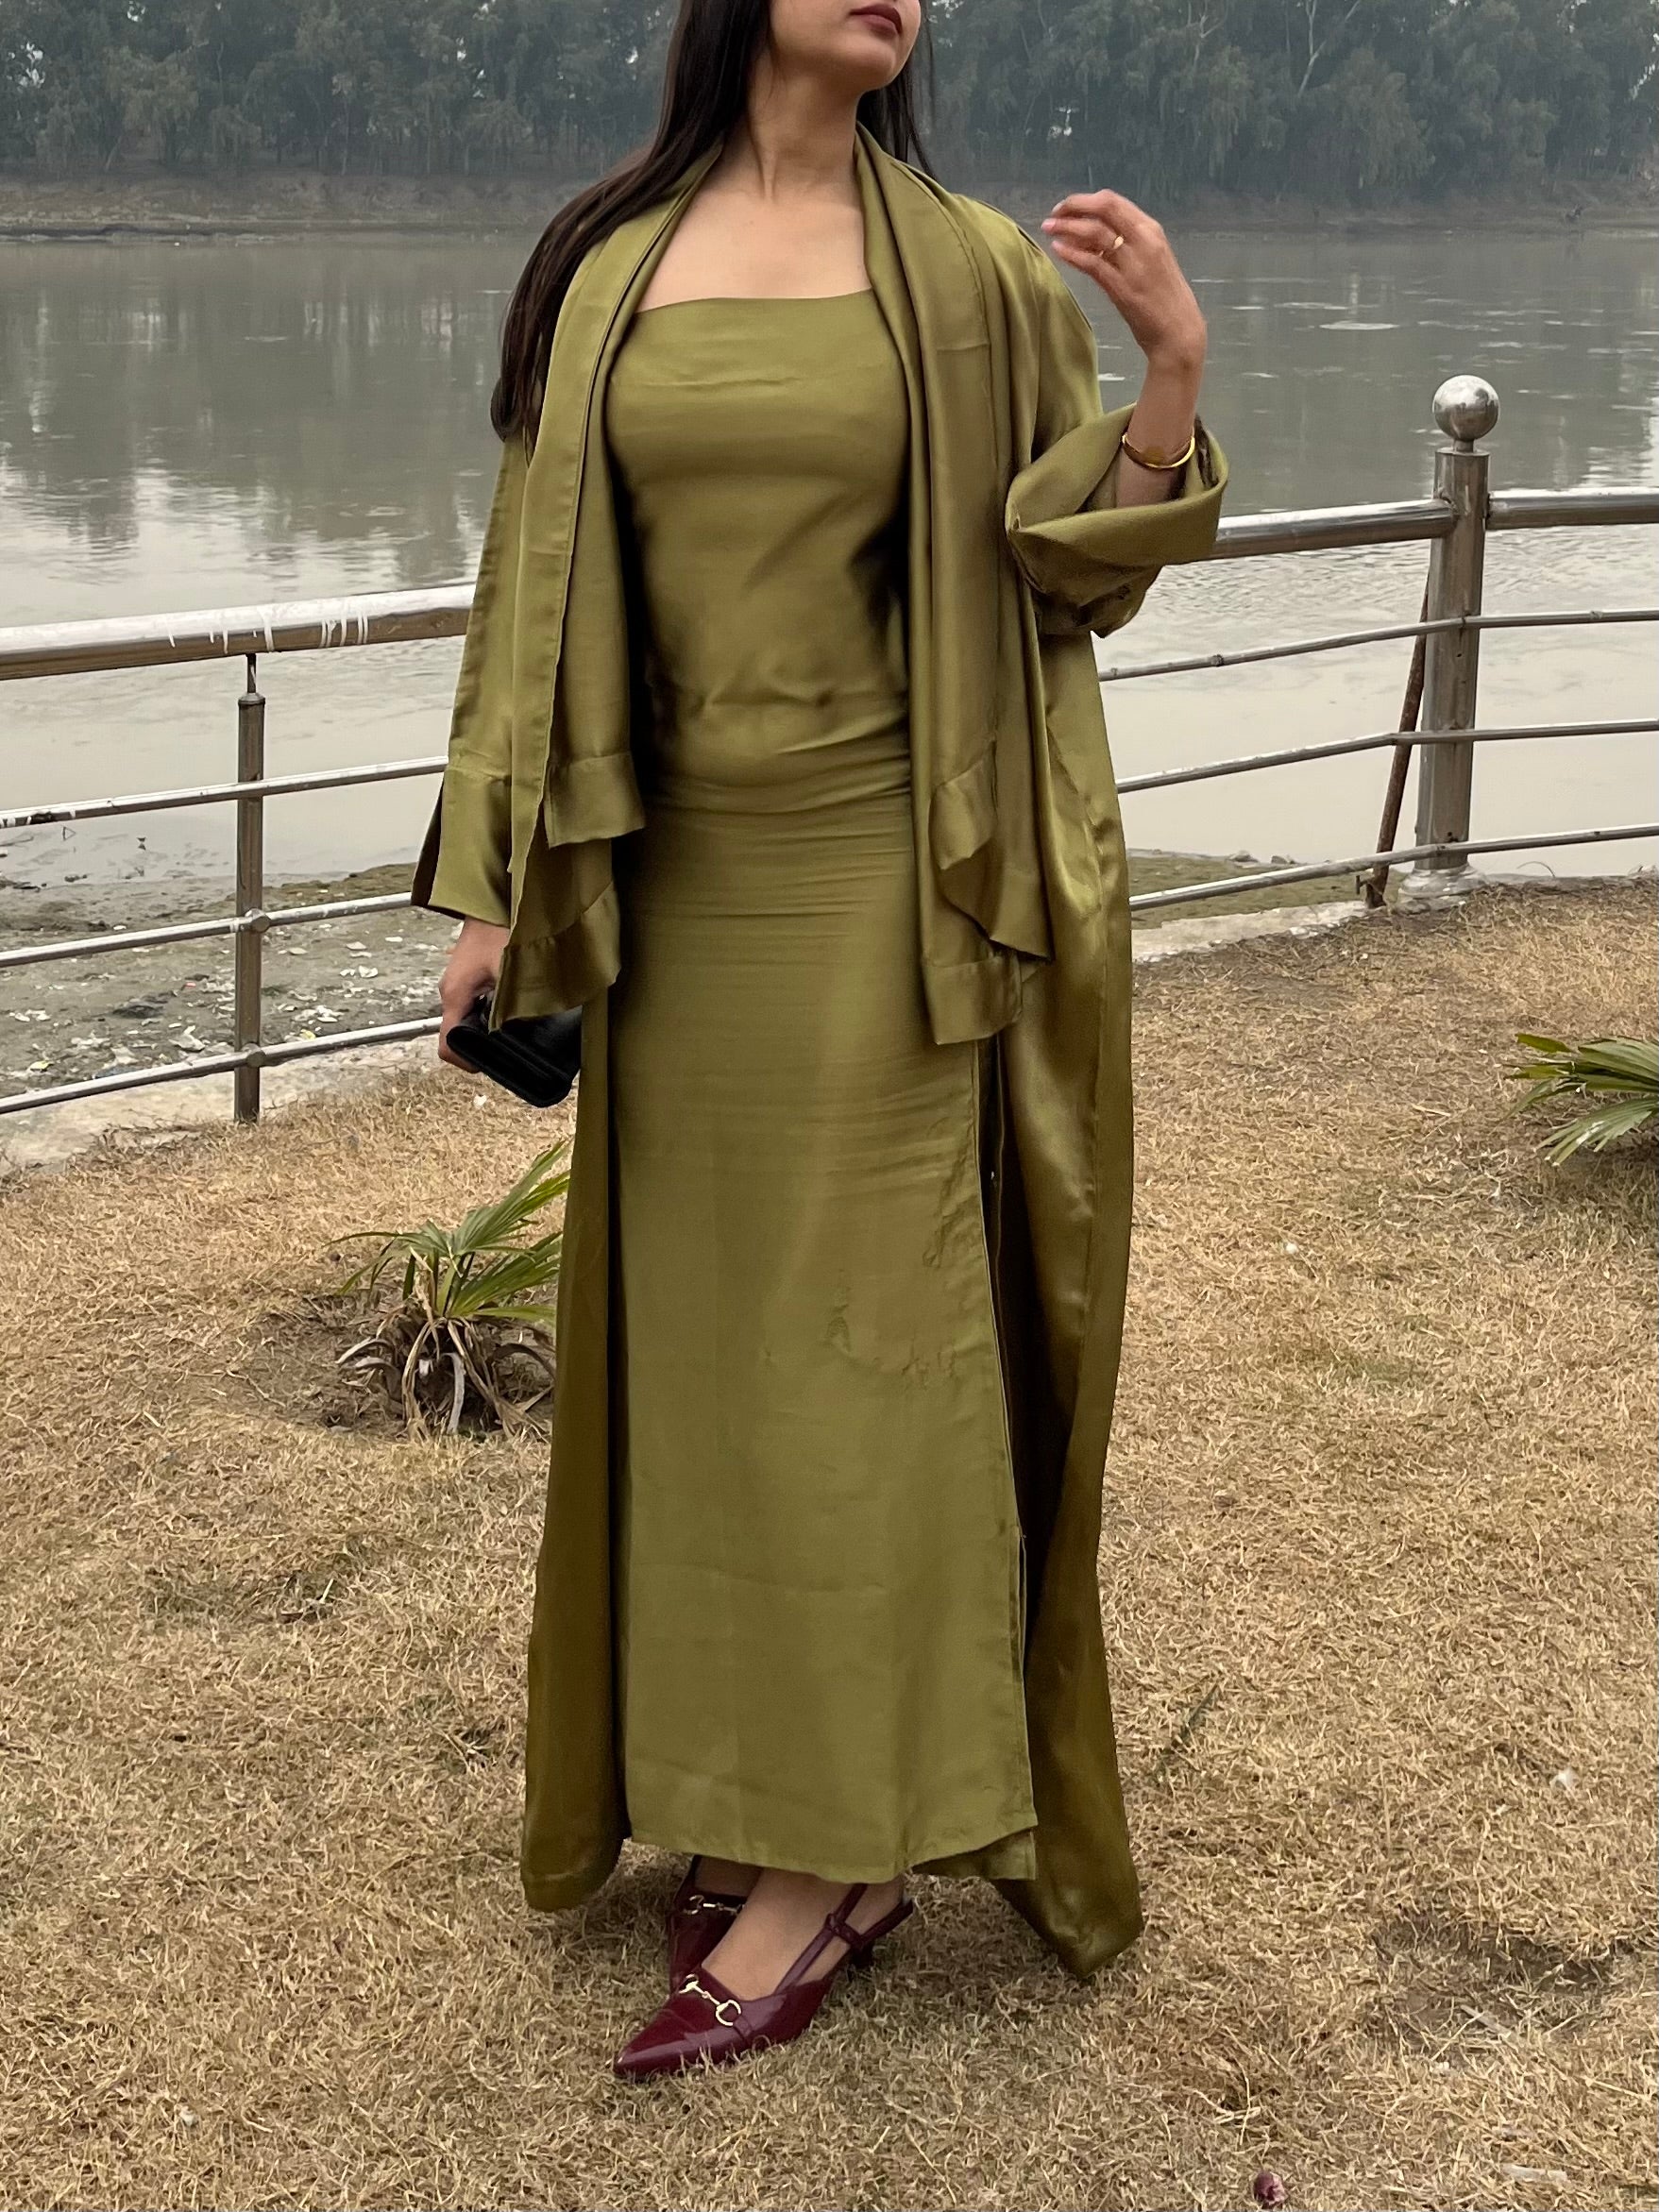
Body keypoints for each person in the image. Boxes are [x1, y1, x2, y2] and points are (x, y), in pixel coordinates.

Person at [413, 0, 1227, 2080]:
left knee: (860, 1365)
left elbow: (1069, 579)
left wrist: (1167, 379)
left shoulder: (971, 270)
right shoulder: (609, 263)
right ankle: (744, 1785)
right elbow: (530, 588)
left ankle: (835, 1858)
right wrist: (498, 883)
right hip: (667, 886)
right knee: (703, 1372)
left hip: (891, 887)